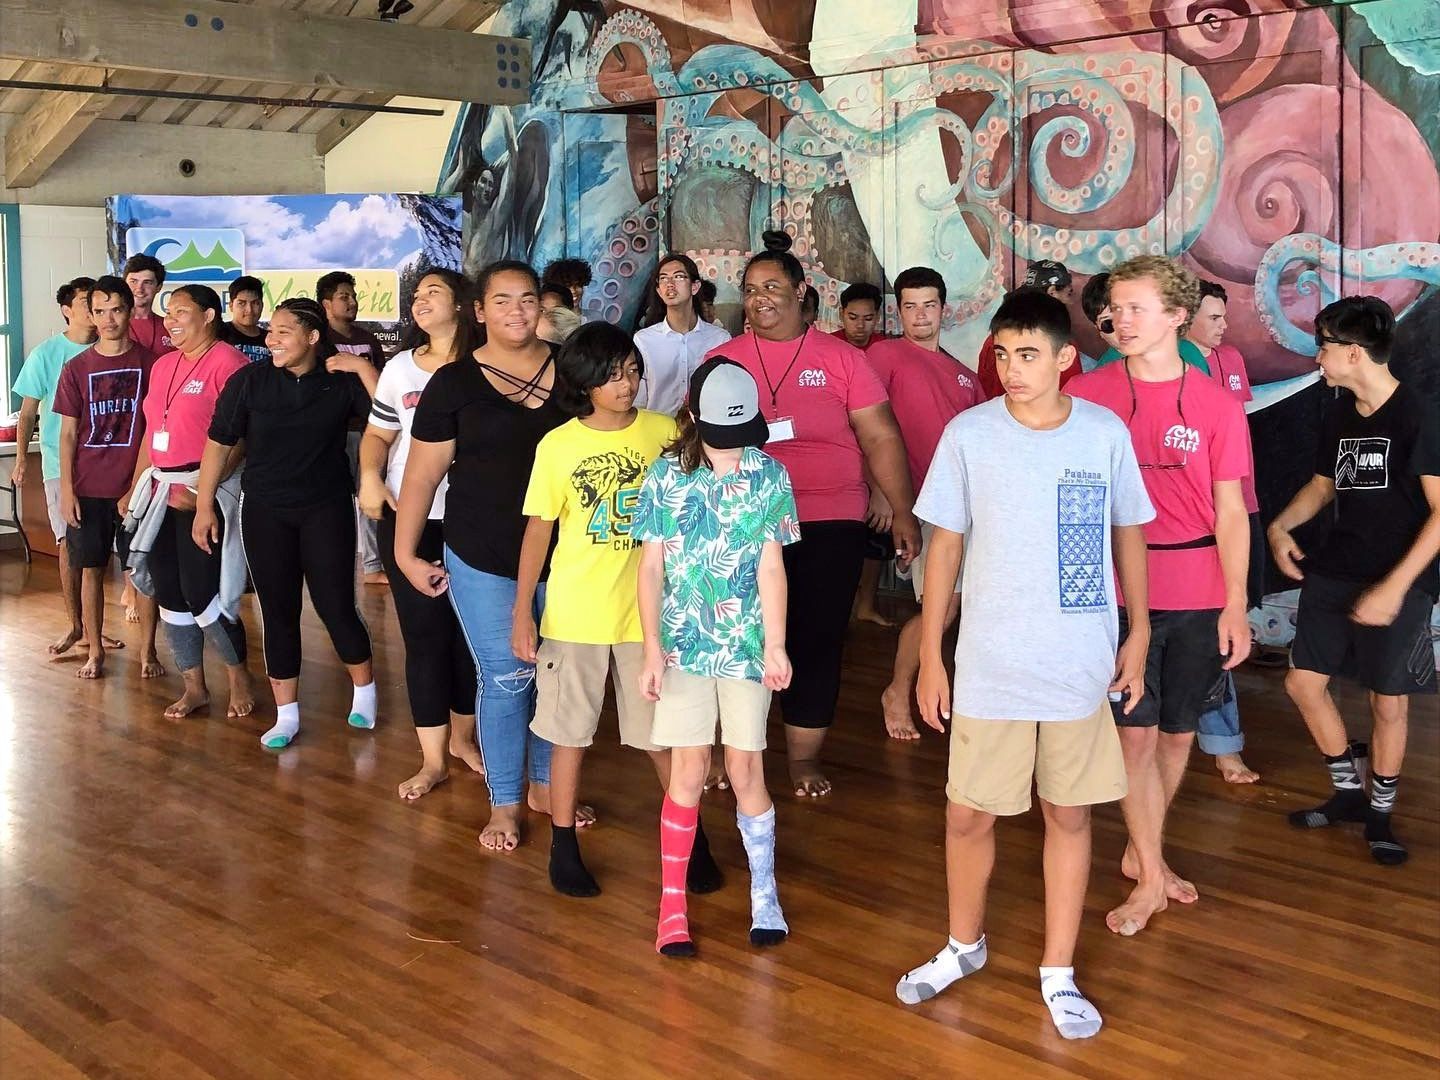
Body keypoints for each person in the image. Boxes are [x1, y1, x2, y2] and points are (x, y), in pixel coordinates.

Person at [898, 289, 1153, 1041]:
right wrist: (931, 656)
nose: (1012, 369)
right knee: (967, 811)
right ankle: (962, 945)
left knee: (1067, 812)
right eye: (1003, 355)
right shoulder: (970, 434)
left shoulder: (1102, 434)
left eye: (1029, 354)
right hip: (989, 660)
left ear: (1066, 358)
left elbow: (1128, 535)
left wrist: (1137, 633)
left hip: (1078, 664)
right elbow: (944, 545)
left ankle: (1059, 970)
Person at [1069, 255, 1252, 936]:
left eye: (1138, 308)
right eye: (1115, 309)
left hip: (1200, 589)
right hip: (1117, 595)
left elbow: (1231, 512)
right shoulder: (1088, 397)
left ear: (1178, 316)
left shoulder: (1218, 406)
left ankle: (1144, 848)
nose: (1121, 321)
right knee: (1136, 742)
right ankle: (1150, 873)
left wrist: (1236, 602)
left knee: (1177, 737)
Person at [512, 321, 722, 898]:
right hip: (575, 614)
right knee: (567, 733)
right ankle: (562, 843)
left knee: (663, 736)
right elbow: (539, 531)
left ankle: (693, 840)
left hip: (650, 619)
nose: (626, 384)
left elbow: (698, 507)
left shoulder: (664, 433)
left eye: (631, 371)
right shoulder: (558, 445)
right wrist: (522, 612)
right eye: (611, 376)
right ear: (583, 383)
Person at [707, 230, 920, 797]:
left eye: (773, 286)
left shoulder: (842, 358)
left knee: (817, 637)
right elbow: (696, 442)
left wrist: (901, 510)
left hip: (829, 517)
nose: (760, 298)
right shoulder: (721, 361)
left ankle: (802, 760)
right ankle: (738, 756)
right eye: (751, 290)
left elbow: (879, 435)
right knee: (741, 638)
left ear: (802, 292)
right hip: (745, 519)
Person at [397, 260, 582, 851]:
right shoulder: (453, 385)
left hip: (569, 553)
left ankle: (546, 785)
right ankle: (505, 802)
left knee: (555, 677)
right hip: (480, 552)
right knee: (506, 676)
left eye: (527, 300)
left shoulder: (574, 375)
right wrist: (404, 554)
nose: (516, 312)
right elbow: (423, 478)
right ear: (479, 312)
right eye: (501, 302)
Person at [634, 358, 800, 955]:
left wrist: (776, 644)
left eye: (740, 437)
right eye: (721, 439)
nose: (733, 451)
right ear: (695, 420)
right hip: (682, 644)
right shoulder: (663, 477)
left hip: (747, 644)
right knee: (687, 769)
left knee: (747, 766)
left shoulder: (769, 475)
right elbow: (650, 567)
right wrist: (652, 650)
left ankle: (765, 891)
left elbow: (771, 566)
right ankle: (671, 902)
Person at [1270, 296, 1439, 867]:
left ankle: (1380, 812)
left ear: (1353, 352)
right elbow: (1323, 486)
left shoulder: (1419, 415)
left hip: (1400, 577)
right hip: (1337, 568)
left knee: (1388, 701)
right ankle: (1347, 791)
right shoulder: (1339, 412)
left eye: (1324, 347)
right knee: (1303, 683)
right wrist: (1281, 525)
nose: (1318, 357)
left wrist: (1394, 589)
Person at [198, 298, 378, 749]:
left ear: (312, 338)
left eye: (282, 332)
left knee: (335, 605)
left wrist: (362, 371)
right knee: (277, 610)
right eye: (270, 331)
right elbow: (219, 444)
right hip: (265, 509)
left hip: (326, 507)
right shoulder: (250, 381)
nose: (271, 340)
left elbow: (391, 419)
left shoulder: (339, 381)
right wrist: (204, 506)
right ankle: (286, 715)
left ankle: (365, 692)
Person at [359, 269, 484, 800]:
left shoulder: (483, 367)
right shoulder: (398, 369)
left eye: (434, 292)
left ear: (462, 305)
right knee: (426, 638)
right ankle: (432, 759)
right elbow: (377, 435)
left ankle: (463, 739)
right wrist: (367, 475)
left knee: (470, 640)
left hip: (476, 519)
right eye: (417, 295)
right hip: (409, 520)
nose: (420, 301)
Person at [866, 267, 987, 740]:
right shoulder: (885, 354)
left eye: (928, 305)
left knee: (958, 606)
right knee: (943, 607)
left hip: (966, 508)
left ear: (944, 308)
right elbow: (865, 425)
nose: (920, 315)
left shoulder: (963, 375)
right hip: (920, 505)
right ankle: (898, 690)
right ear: (899, 311)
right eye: (910, 306)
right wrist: (884, 494)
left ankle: (948, 693)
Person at [127, 284, 253, 719]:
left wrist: (202, 491)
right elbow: (150, 430)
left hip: (206, 489)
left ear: (210, 315)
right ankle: (194, 685)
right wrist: (135, 487)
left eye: (182, 311)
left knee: (204, 590)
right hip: (160, 487)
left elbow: (240, 437)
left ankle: (239, 676)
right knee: (169, 590)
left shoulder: (230, 364)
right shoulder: (163, 366)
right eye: (168, 313)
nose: (172, 320)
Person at [52, 276, 158, 679]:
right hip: (88, 487)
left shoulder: (152, 364)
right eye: (100, 311)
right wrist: (66, 489)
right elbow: (66, 433)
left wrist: (136, 485)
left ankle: (148, 651)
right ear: (91, 315)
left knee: (144, 572)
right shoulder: (77, 368)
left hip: (140, 487)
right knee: (91, 570)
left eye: (116, 309)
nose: (109, 319)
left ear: (130, 310)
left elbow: (156, 428)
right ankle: (94, 650)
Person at [1186, 280, 1262, 784]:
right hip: (1192, 520)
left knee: (1224, 623)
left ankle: (1219, 741)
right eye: (1212, 316)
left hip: (1237, 503)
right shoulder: (1171, 362)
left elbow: (1240, 427)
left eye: (1222, 315)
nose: (1222, 325)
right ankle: (1219, 743)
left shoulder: (1230, 359)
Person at [11, 277, 100, 658]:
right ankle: (75, 626)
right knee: (68, 543)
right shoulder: (47, 353)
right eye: (85, 302)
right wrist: (19, 461)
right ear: (67, 310)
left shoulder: (111, 348)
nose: (93, 310)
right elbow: (28, 412)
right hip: (57, 461)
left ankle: (95, 633)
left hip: (104, 462)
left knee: (99, 551)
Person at [318, 270, 389, 587]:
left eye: (353, 296)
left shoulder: (368, 339)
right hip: (333, 431)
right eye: (344, 297)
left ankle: (372, 565)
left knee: (370, 494)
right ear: (326, 303)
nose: (352, 302)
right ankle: (331, 565)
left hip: (371, 430)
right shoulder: (320, 341)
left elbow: (384, 386)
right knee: (332, 499)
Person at [633, 252, 731, 418]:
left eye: (678, 277)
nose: (669, 284)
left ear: (694, 286)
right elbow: (639, 398)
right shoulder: (644, 340)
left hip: (705, 430)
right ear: (658, 290)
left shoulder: (719, 339)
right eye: (663, 278)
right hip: (657, 429)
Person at [976, 264, 1084, 398]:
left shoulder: (993, 340)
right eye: (1068, 294)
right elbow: (1071, 394)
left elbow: (983, 390)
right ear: (1052, 293)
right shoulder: (1060, 342)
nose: (1010, 372)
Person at [123, 254, 173, 356]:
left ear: (159, 287)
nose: (139, 289)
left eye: (147, 282)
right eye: (133, 281)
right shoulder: (110, 325)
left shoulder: (171, 326)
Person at [221, 275, 272, 365]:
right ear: (231, 306)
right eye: (242, 303)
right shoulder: (218, 334)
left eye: (255, 303)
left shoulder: (271, 339)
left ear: (262, 305)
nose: (249, 310)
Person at [832, 282, 884, 350]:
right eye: (853, 318)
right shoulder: (828, 344)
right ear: (841, 314)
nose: (860, 325)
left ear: (877, 316)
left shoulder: (885, 347)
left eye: (868, 318)